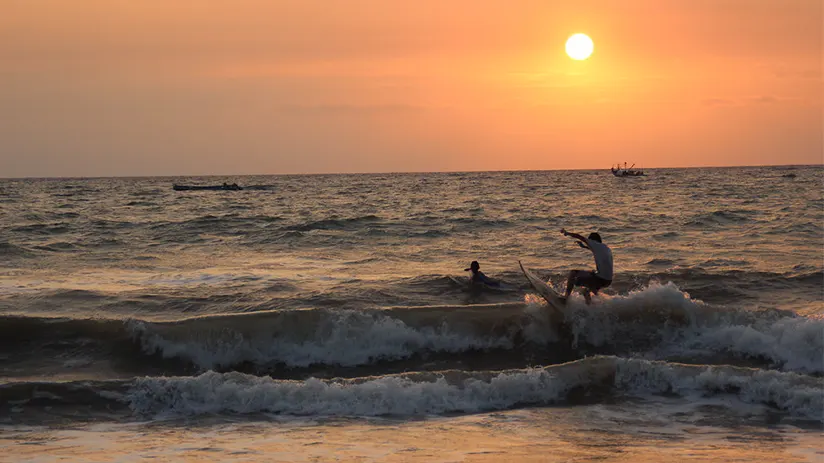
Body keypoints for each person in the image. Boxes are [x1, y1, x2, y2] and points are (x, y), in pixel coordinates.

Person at [560, 229, 613, 304]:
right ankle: (591, 307)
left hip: (600, 279)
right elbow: (593, 249)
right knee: (586, 291)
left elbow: (579, 236)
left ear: (592, 240)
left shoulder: (594, 243)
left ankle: (565, 298)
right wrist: (583, 246)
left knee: (573, 273)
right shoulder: (605, 248)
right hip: (608, 281)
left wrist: (567, 233)